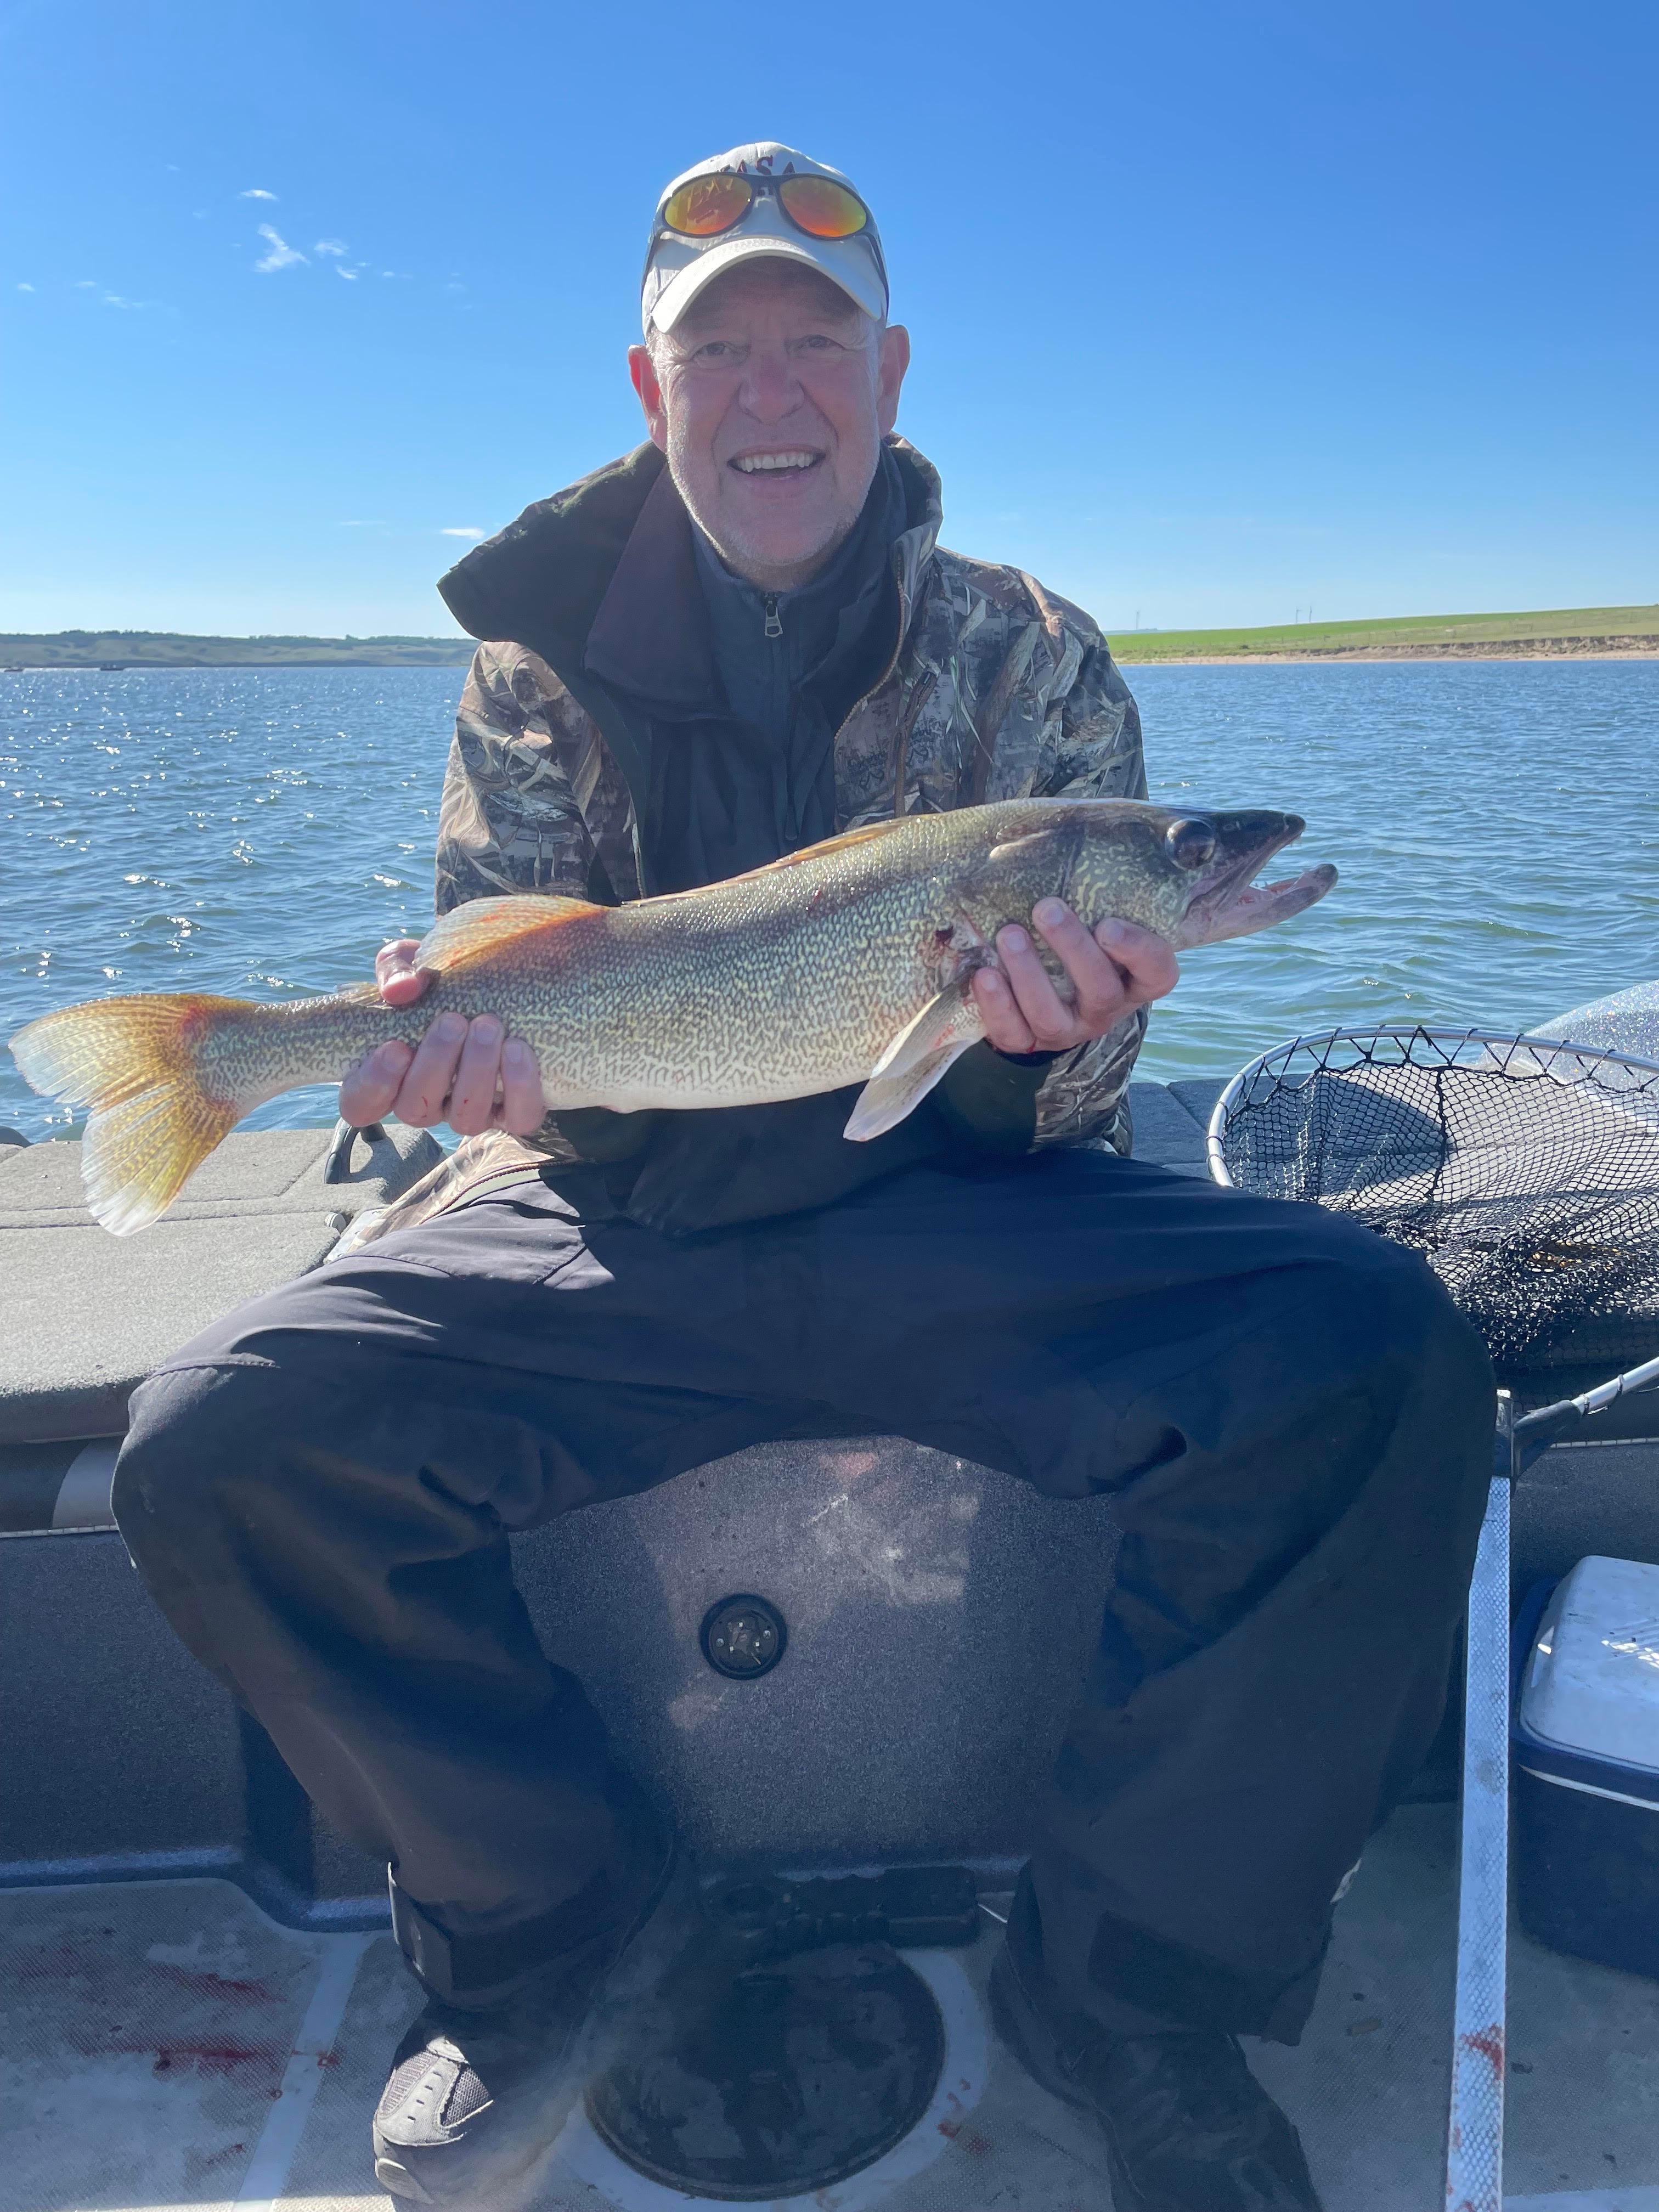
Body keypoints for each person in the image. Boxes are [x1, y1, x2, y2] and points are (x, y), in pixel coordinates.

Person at [111, 144, 1493, 2211]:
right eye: (720, 348)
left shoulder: (1033, 655)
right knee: (216, 1446)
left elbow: (1084, 1090)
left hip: (965, 1221)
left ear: (894, 369)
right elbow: (504, 960)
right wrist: (460, 1076)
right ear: (652, 388)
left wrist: (1071, 1019)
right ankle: (558, 1929)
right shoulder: (532, 662)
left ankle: (1125, 1993)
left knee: (1378, 1353)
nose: (773, 391)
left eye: (815, 341)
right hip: (626, 1227)